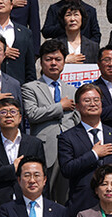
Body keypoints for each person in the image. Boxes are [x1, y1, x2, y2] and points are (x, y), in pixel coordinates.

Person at [21, 40, 80, 204]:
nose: (53, 63)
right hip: (45, 147)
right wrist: (60, 106)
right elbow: (32, 114)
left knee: (65, 198)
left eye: (58, 59)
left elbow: (77, 119)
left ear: (64, 62)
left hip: (69, 150)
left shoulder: (72, 90)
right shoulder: (30, 87)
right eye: (48, 59)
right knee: (43, 196)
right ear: (41, 62)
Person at [58, 83, 112, 216]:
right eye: (87, 100)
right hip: (82, 204)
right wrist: (94, 154)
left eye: (96, 100)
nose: (93, 104)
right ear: (77, 106)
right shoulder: (67, 137)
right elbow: (67, 169)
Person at [0, 99, 46, 206]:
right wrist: (12, 169)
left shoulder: (34, 144)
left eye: (13, 111)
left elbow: (43, 176)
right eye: (3, 112)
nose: (8, 115)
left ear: (20, 118)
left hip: (28, 202)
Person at [0, 156, 71, 217]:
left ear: (45, 179)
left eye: (37, 175)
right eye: (27, 175)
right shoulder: (7, 210)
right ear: (19, 180)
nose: (32, 180)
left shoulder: (60, 211)